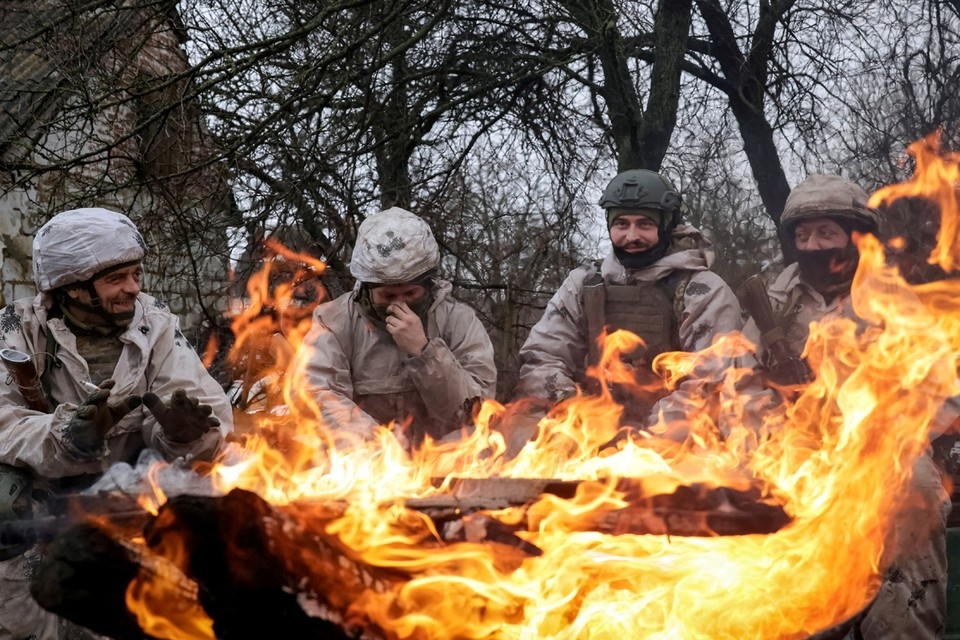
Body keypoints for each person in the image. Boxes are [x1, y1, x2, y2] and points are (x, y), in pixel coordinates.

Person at [0, 207, 233, 639]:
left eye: (135, 274)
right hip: (43, 493)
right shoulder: (17, 329)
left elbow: (206, 408)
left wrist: (184, 434)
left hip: (136, 485)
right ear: (70, 287)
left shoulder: (154, 320)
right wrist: (67, 436)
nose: (133, 288)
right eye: (116, 279)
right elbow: (4, 423)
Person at [741, 174, 951, 639]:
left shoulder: (896, 302)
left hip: (881, 450)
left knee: (913, 486)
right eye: (803, 235)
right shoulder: (771, 307)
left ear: (856, 238)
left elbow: (940, 387)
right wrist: (776, 429)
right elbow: (740, 388)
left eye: (826, 233)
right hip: (793, 451)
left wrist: (880, 432)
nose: (812, 245)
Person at [516, 168, 743, 425]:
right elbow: (542, 358)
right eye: (621, 224)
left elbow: (713, 382)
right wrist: (573, 408)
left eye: (645, 224)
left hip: (675, 436)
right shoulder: (583, 283)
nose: (632, 236)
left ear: (667, 225)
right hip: (590, 429)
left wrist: (640, 436)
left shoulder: (702, 289)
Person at [293, 206, 496, 448]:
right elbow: (316, 397)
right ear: (367, 288)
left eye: (410, 293)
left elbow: (476, 415)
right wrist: (385, 451)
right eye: (388, 295)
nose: (400, 304)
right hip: (364, 465)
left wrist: (424, 352)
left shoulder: (459, 322)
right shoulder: (334, 321)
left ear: (428, 285)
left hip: (445, 465)